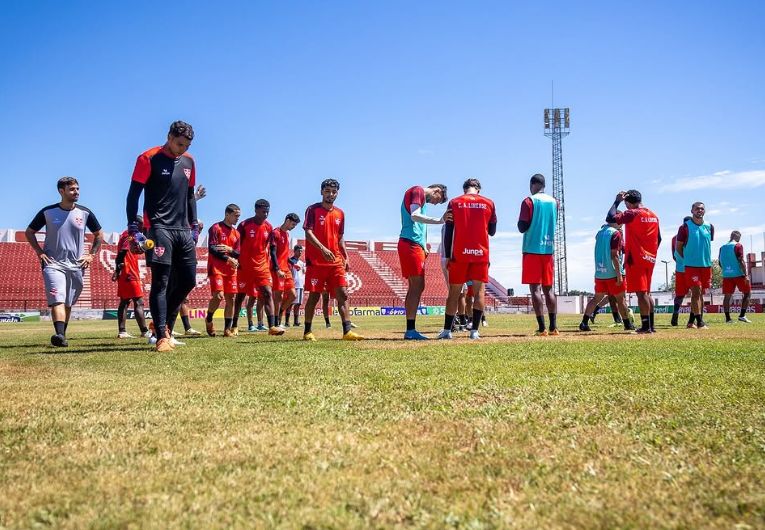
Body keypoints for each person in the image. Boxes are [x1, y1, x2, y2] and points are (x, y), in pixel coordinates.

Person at [126, 120, 199, 352]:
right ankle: (162, 336)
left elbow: (189, 196)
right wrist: (133, 228)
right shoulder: (148, 158)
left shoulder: (189, 161)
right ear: (169, 137)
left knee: (188, 280)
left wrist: (194, 225)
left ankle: (162, 326)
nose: (182, 149)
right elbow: (133, 196)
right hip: (158, 228)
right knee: (161, 282)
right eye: (179, 144)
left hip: (183, 230)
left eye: (186, 145)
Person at [26, 176, 104, 347]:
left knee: (68, 302)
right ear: (61, 191)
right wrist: (39, 252)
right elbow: (29, 232)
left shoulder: (85, 213)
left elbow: (99, 234)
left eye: (77, 189)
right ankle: (59, 334)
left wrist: (91, 254)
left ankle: (62, 336)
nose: (76, 192)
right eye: (72, 189)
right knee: (58, 298)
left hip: (77, 265)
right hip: (53, 263)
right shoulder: (47, 212)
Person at [302, 179, 364, 341]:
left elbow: (340, 237)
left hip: (335, 261)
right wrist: (322, 248)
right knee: (315, 296)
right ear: (322, 192)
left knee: (342, 294)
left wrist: (346, 256)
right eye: (327, 191)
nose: (330, 194)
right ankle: (307, 332)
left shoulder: (340, 213)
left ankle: (347, 332)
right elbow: (308, 233)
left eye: (334, 192)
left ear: (337, 193)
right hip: (316, 262)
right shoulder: (312, 210)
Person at [437, 178, 497, 340]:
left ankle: (447, 331)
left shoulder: (454, 202)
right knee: (479, 293)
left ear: (464, 189)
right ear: (478, 189)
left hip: (459, 254)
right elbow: (492, 231)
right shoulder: (489, 203)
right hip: (480, 253)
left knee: (454, 293)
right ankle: (474, 332)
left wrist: (447, 256)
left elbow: (448, 230)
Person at [606, 189, 660, 334]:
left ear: (628, 203)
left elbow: (610, 218)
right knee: (647, 292)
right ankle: (651, 326)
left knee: (641, 293)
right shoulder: (653, 215)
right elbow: (659, 238)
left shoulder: (632, 213)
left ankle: (645, 326)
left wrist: (617, 201)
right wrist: (651, 253)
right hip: (650, 258)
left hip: (636, 258)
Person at [398, 184, 448, 340]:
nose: (435, 203)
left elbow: (420, 224)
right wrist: (439, 221)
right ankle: (410, 330)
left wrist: (424, 245)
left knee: (416, 286)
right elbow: (414, 215)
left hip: (414, 244)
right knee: (417, 286)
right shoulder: (417, 191)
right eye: (437, 200)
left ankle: (411, 329)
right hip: (410, 243)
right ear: (437, 191)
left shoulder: (421, 198)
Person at [235, 200, 284, 335]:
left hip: (262, 267)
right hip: (245, 267)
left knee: (268, 293)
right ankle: (233, 325)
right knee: (240, 297)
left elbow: (267, 247)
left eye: (268, 211)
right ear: (256, 210)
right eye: (263, 211)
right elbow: (236, 245)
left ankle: (272, 327)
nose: (266, 214)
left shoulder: (269, 227)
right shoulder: (244, 225)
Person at [518, 174, 558, 336]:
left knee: (535, 289)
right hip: (549, 250)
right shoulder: (555, 202)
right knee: (549, 289)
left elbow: (522, 226)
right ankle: (553, 327)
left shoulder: (529, 201)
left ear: (532, 185)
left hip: (532, 248)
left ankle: (542, 328)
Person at [579, 223, 635, 332]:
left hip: (600, 272)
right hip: (612, 272)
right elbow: (614, 255)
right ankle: (627, 324)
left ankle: (584, 322)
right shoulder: (615, 233)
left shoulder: (599, 233)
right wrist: (619, 275)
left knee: (596, 298)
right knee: (620, 299)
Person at [205, 204, 241, 337]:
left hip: (231, 269)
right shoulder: (215, 228)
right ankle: (208, 319)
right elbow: (213, 248)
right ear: (227, 214)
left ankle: (227, 330)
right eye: (236, 215)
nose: (237, 218)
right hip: (217, 268)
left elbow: (237, 253)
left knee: (231, 298)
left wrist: (231, 251)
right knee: (219, 296)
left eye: (239, 216)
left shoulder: (236, 233)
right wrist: (228, 258)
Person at [675, 202, 713, 330]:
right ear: (692, 210)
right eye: (697, 208)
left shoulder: (709, 226)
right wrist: (687, 259)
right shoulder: (684, 227)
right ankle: (700, 322)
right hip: (691, 266)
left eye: (702, 208)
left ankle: (691, 322)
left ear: (704, 211)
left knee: (701, 294)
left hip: (706, 265)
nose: (700, 210)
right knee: (696, 292)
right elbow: (678, 247)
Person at [113, 214, 150, 339]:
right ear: (137, 224)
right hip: (129, 272)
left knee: (125, 301)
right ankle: (144, 331)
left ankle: (122, 331)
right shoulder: (129, 235)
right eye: (142, 224)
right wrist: (118, 270)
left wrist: (117, 270)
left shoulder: (130, 235)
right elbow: (122, 251)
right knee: (138, 301)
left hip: (127, 271)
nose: (143, 227)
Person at [270, 213, 300, 329]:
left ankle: (280, 312)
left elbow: (284, 254)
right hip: (277, 269)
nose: (293, 227)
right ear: (287, 220)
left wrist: (292, 263)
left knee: (293, 295)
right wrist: (277, 269)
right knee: (278, 297)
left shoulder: (287, 234)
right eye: (292, 224)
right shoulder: (275, 232)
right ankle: (276, 323)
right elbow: (272, 253)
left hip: (286, 269)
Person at [719, 230, 752, 323]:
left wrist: (726, 270)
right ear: (737, 237)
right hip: (738, 274)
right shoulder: (738, 245)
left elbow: (719, 262)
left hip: (726, 275)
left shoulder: (722, 247)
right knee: (747, 293)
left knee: (727, 296)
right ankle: (742, 316)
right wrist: (745, 274)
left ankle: (728, 319)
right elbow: (741, 260)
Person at [670, 217, 693, 327]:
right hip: (692, 267)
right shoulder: (692, 235)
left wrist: (681, 262)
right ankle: (695, 319)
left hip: (679, 268)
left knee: (679, 295)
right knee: (696, 293)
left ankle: (675, 317)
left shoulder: (674, 238)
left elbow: (674, 255)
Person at [286, 245, 305, 326]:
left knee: (298, 304)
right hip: (292, 285)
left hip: (300, 285)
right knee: (290, 303)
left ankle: (296, 322)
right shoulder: (290, 261)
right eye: (299, 251)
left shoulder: (301, 263)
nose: (300, 252)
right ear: (295, 251)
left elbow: (303, 273)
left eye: (301, 251)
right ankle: (287, 322)